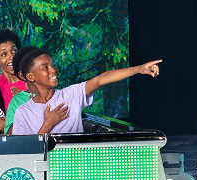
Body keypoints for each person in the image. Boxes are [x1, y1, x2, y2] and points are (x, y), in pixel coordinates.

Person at [9, 47, 161, 135]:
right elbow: (26, 153)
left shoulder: (71, 94)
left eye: (52, 65)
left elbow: (101, 79)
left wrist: (139, 69)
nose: (53, 70)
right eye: (45, 67)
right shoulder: (23, 112)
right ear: (30, 76)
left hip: (77, 169)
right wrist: (48, 124)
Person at [0, 29, 27, 110]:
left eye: (14, 51)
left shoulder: (30, 79)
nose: (12, 57)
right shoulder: (1, 81)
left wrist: (27, 101)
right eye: (4, 54)